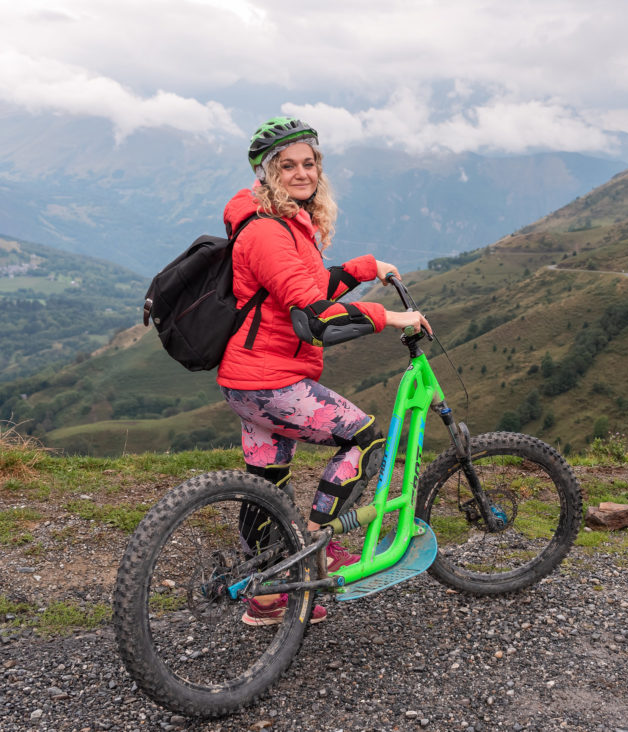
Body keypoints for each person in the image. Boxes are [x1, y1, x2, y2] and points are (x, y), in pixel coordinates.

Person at [218, 116, 431, 626]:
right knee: (366, 439)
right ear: (268, 174)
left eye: (308, 163)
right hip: (272, 382)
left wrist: (362, 269)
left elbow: (306, 287)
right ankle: (315, 550)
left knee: (267, 483)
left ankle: (267, 597)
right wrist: (391, 316)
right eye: (287, 166)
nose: (301, 173)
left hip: (248, 381)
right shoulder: (269, 233)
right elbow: (315, 316)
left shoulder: (284, 222)